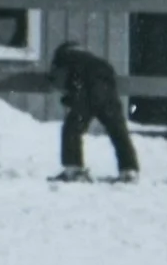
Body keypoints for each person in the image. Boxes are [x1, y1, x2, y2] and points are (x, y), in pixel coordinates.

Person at [49, 40, 139, 184]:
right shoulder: (99, 62)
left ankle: (74, 169)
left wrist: (69, 98)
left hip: (87, 93)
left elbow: (61, 81)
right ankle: (129, 170)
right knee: (118, 131)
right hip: (108, 95)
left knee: (72, 128)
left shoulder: (65, 58)